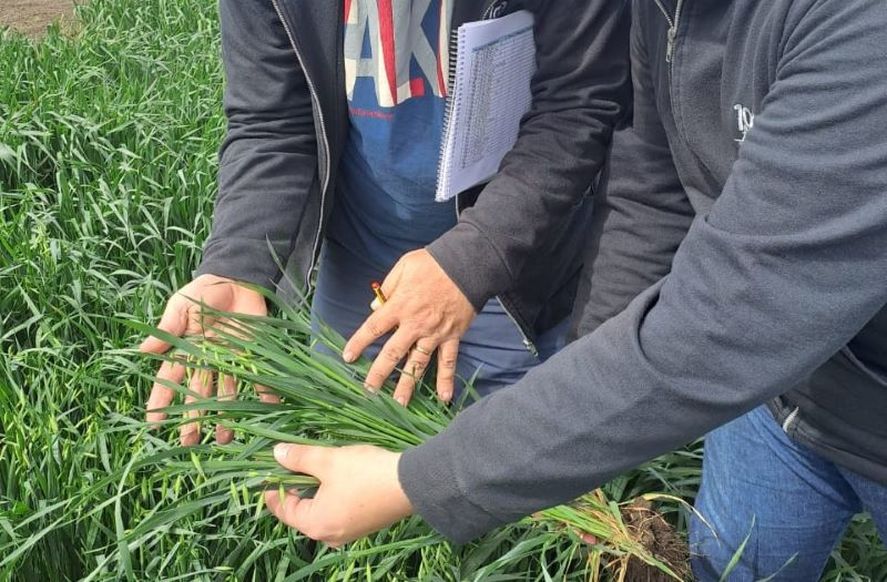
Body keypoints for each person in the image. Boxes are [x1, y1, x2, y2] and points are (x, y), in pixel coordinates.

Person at [260, 0, 887, 580]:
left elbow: (723, 326)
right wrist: (578, 422)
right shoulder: (667, 9)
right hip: (775, 405)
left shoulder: (859, 30)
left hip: (861, 406)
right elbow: (652, 193)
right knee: (722, 566)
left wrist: (417, 480)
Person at [140, 0, 630, 444]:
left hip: (513, 269)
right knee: (351, 450)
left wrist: (473, 259)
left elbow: (576, 107)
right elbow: (273, 121)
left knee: (517, 481)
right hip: (362, 263)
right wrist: (238, 262)